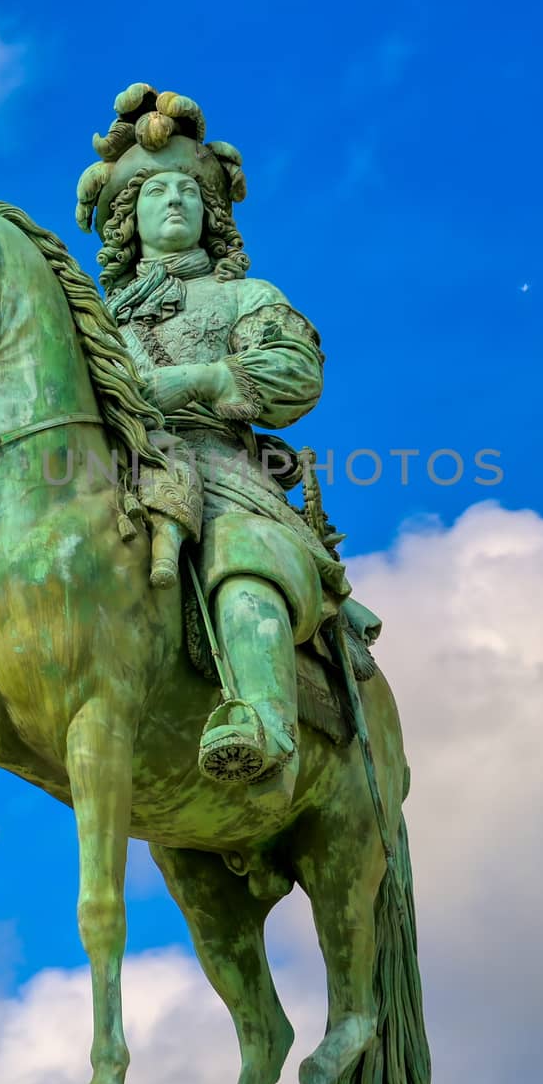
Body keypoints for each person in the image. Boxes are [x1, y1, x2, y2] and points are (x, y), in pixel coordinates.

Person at [76, 84, 351, 797]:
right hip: (108, 472)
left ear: (211, 212)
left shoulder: (245, 297)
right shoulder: (89, 318)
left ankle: (263, 718)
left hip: (221, 469)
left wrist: (192, 380)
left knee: (237, 552)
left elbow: (294, 373)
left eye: (188, 191)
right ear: (126, 218)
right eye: (154, 192)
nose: (174, 201)